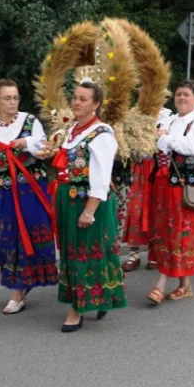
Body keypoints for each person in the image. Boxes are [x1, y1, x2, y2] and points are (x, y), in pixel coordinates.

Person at [0, 79, 57, 314]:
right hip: (5, 193)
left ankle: (18, 291)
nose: (13, 102)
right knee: (3, 239)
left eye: (15, 97)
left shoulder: (29, 122)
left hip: (30, 190)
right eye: (7, 98)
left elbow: (44, 149)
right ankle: (20, 282)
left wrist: (26, 142)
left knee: (30, 238)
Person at [50, 81, 127, 330]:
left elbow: (102, 177)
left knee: (87, 252)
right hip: (68, 201)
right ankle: (98, 297)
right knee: (73, 252)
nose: (76, 102)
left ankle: (78, 308)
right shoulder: (73, 130)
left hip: (88, 202)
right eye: (75, 97)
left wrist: (89, 210)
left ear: (95, 105)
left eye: (83, 99)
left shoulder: (101, 134)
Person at [147, 80, 194, 304]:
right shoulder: (171, 120)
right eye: (178, 95)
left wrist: (164, 138)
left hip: (188, 188)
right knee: (167, 233)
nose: (181, 98)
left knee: (180, 236)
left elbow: (193, 147)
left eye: (186, 94)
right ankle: (185, 285)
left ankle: (160, 284)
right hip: (166, 186)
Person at [122, 107, 170, 272]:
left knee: (157, 211)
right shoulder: (134, 115)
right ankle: (133, 254)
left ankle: (155, 254)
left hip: (158, 170)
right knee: (135, 210)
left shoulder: (168, 117)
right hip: (140, 170)